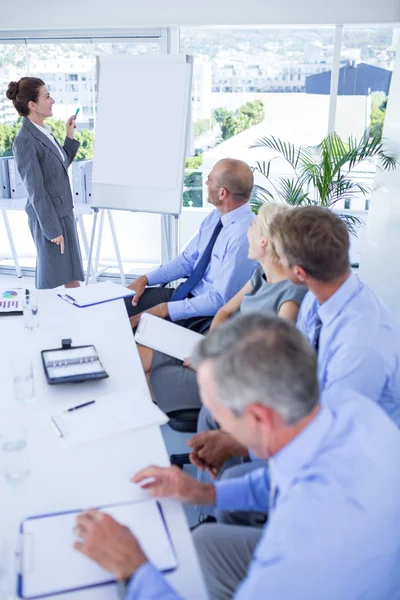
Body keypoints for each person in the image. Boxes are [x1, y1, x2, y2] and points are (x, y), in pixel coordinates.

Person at [73, 314, 400, 600]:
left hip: (336, 573)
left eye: (218, 413)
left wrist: (133, 569)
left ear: (258, 418)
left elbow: (298, 526)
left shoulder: (297, 546)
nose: (217, 425)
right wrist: (205, 492)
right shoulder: (346, 406)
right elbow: (280, 477)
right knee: (206, 542)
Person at [190, 206, 400, 484]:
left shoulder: (360, 347)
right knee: (221, 410)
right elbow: (292, 365)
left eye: (279, 252)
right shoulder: (321, 294)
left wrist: (238, 444)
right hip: (314, 408)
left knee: (237, 474)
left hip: (353, 461)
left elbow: (328, 435)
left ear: (297, 271)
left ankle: (225, 506)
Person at [138, 202, 307, 415]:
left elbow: (274, 359)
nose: (248, 231)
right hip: (223, 349)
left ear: (264, 241)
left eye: (252, 226)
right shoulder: (260, 276)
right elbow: (225, 311)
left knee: (145, 376)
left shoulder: (291, 296)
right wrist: (210, 347)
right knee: (137, 357)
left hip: (239, 376)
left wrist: (216, 360)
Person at [126, 158, 256, 331]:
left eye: (210, 180)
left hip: (206, 316)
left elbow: (219, 300)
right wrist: (145, 279)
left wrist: (164, 310)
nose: (205, 182)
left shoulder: (243, 236)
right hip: (186, 295)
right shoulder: (214, 218)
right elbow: (187, 261)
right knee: (123, 304)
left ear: (222, 193)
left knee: (139, 330)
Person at [7, 77, 84, 290]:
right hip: (49, 220)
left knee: (71, 276)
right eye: (47, 96)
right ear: (32, 105)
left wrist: (69, 136)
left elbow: (58, 168)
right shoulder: (25, 140)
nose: (53, 100)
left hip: (63, 215)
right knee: (53, 282)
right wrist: (52, 230)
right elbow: (36, 191)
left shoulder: (44, 131)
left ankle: (75, 320)